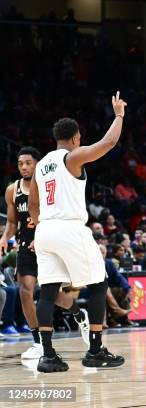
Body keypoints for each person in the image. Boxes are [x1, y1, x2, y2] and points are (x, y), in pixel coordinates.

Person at [29, 92, 126, 372]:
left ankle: (48, 356)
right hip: (69, 227)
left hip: (45, 229)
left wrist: (39, 230)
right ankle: (95, 350)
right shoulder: (71, 157)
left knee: (47, 294)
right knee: (98, 285)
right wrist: (119, 114)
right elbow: (108, 142)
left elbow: (33, 204)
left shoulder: (40, 166)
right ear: (74, 138)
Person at [0, 147, 89, 360]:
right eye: (20, 163)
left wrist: (43, 236)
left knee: (50, 294)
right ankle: (38, 341)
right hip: (26, 245)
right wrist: (4, 237)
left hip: (49, 242)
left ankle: (78, 312)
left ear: (38, 164)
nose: (23, 167)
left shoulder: (50, 186)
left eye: (28, 163)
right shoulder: (13, 190)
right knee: (25, 290)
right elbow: (13, 222)